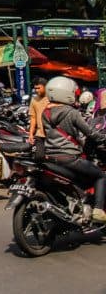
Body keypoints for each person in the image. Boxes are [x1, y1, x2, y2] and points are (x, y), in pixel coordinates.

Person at [43, 76, 106, 222]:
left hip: (50, 156)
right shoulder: (71, 112)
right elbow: (89, 132)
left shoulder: (45, 113)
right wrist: (102, 138)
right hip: (69, 157)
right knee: (101, 175)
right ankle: (97, 210)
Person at [28, 78, 49, 145]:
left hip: (52, 134)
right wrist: (31, 134)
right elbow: (33, 118)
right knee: (39, 155)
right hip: (40, 134)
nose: (36, 90)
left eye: (38, 88)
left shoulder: (52, 98)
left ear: (45, 87)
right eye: (35, 88)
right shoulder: (34, 100)